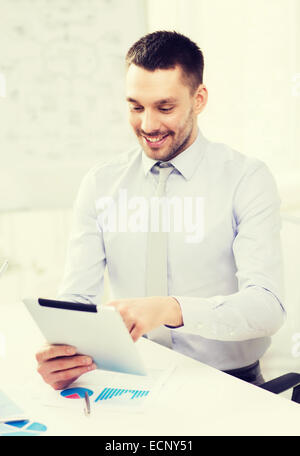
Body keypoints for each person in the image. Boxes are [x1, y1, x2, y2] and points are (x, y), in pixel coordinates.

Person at [36, 31, 285, 390]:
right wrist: (61, 351)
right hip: (131, 379)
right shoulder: (100, 183)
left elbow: (267, 308)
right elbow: (77, 298)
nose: (148, 125)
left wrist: (170, 309)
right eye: (136, 107)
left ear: (199, 99)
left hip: (229, 384)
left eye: (164, 107)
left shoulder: (246, 179)